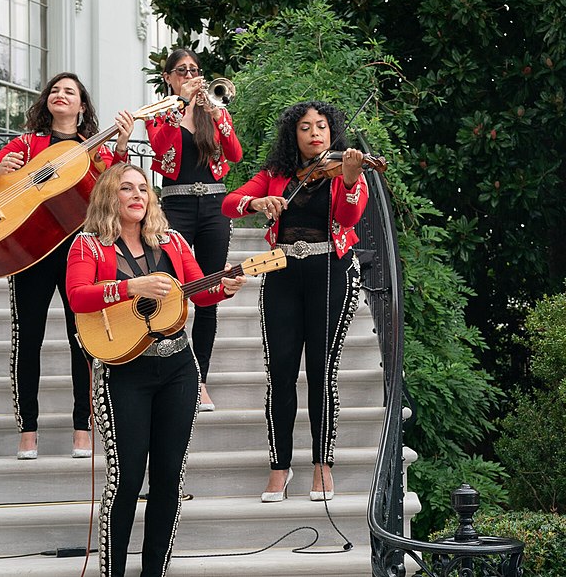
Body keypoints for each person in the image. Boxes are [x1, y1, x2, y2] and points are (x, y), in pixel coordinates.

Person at [65, 163, 246, 576]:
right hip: (123, 371)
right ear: (109, 196)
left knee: (168, 478)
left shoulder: (174, 241)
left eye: (143, 188)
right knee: (126, 478)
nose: (137, 195)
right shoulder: (88, 245)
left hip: (179, 369)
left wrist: (226, 286)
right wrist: (131, 287)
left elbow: (200, 293)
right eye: (126, 188)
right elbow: (77, 297)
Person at [0, 72, 134, 459]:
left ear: (82, 106)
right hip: (29, 253)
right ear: (47, 100)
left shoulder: (92, 148)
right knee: (27, 339)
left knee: (83, 337)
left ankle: (83, 427)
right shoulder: (27, 143)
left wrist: (123, 143)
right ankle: (28, 431)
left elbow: (113, 187)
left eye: (70, 92)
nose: (61, 95)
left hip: (77, 251)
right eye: (56, 90)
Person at [221, 101, 368, 503]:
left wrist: (353, 181)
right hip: (282, 273)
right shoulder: (276, 174)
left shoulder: (345, 170)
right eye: (305, 127)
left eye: (322, 125)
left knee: (322, 373)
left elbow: (350, 218)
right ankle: (279, 467)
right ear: (294, 134)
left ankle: (322, 465)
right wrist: (255, 203)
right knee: (281, 374)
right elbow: (229, 202)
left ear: (331, 129)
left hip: (330, 273)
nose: (315, 133)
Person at [145, 48, 243, 412]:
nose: (189, 74)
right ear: (168, 77)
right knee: (173, 290)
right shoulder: (159, 114)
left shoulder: (213, 110)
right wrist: (181, 106)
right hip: (176, 206)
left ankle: (200, 380)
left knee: (210, 292)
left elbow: (235, 154)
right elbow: (161, 151)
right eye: (181, 70)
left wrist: (216, 112)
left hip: (215, 207)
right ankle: (170, 372)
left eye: (194, 70)